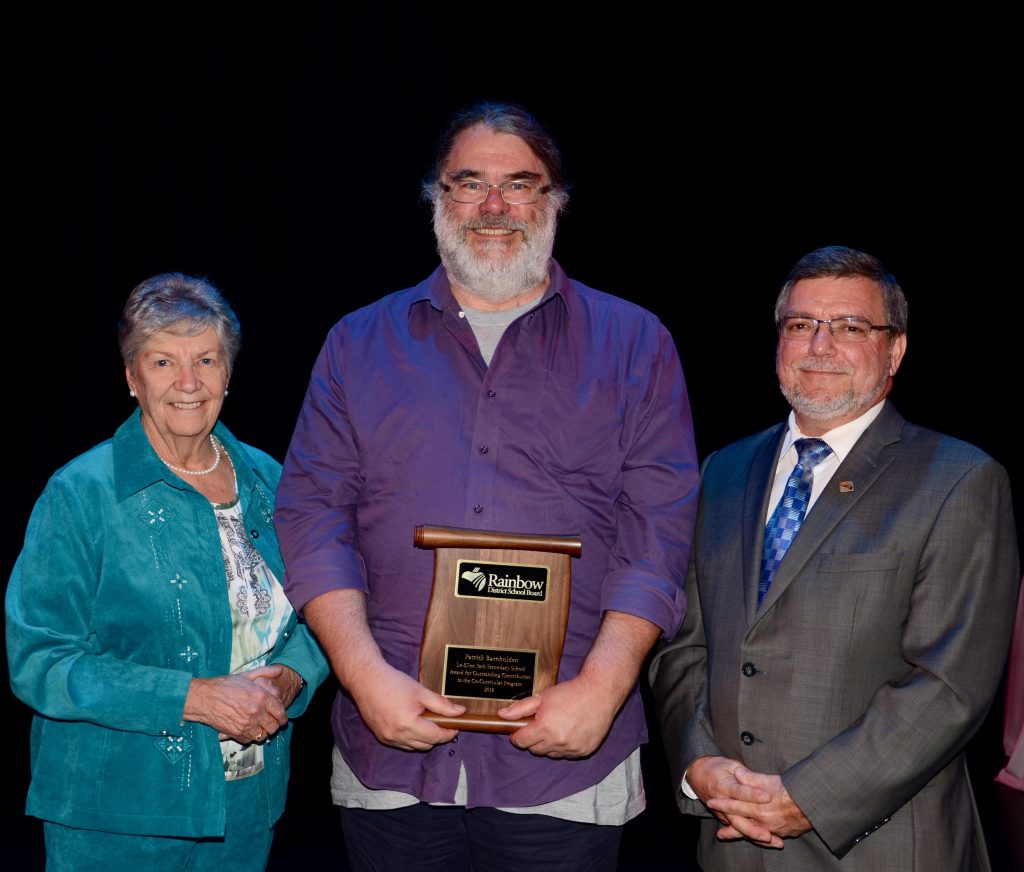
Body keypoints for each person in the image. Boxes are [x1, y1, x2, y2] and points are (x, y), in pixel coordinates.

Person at [275, 101, 699, 871]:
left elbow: (660, 532)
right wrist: (364, 678)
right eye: (469, 185)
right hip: (391, 753)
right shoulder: (356, 344)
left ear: (555, 202)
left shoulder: (636, 344)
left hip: (567, 756)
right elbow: (312, 517)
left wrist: (602, 690)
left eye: (520, 185)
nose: (494, 207)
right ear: (437, 200)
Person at [649, 245, 1021, 871]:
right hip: (732, 845)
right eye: (800, 325)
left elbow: (950, 685)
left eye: (850, 327)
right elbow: (684, 645)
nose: (820, 345)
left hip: (883, 848)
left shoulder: (960, 480)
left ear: (895, 349)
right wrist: (698, 765)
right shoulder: (723, 472)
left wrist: (808, 798)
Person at [6, 273, 328, 871]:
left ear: (227, 375)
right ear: (132, 378)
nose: (188, 383)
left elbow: (320, 610)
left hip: (247, 808)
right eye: (162, 361)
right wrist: (195, 698)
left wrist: (293, 677)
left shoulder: (271, 483)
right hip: (116, 819)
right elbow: (40, 662)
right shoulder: (80, 494)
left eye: (206, 359)